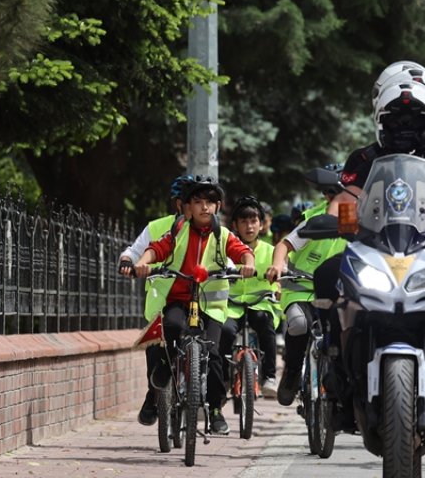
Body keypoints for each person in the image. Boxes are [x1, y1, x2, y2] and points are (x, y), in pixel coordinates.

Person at [281, 79, 425, 432]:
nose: (405, 129)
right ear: (380, 122)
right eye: (396, 121)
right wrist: (333, 217)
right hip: (374, 250)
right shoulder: (364, 158)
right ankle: (333, 367)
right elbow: (346, 198)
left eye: (413, 121)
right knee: (326, 274)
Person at [128, 176, 257, 435]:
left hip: (211, 305)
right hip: (179, 298)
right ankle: (164, 370)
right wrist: (143, 262)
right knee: (172, 326)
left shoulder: (224, 235)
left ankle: (215, 410)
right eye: (197, 202)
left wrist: (248, 263)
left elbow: (242, 251)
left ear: (218, 207)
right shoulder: (179, 230)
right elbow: (157, 249)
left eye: (210, 202)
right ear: (188, 206)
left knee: (216, 353)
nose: (204, 207)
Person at [267, 164, 347, 407]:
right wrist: (277, 265)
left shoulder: (356, 218)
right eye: (330, 194)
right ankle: (291, 371)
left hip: (338, 292)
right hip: (301, 287)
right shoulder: (313, 218)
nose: (335, 200)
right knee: (300, 324)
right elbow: (284, 246)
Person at [118, 175, 192, 427]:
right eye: (188, 201)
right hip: (161, 304)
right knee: (156, 353)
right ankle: (153, 393)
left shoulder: (209, 231)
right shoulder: (157, 228)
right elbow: (134, 251)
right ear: (178, 204)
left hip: (195, 302)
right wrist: (128, 262)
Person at [221, 196, 281, 397]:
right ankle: (223, 377)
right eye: (244, 221)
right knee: (226, 331)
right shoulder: (227, 250)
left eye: (254, 221)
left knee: (266, 325)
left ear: (262, 224)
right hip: (232, 304)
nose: (249, 226)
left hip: (260, 303)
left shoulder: (272, 251)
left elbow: (281, 275)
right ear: (235, 225)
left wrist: (279, 287)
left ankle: (269, 377)